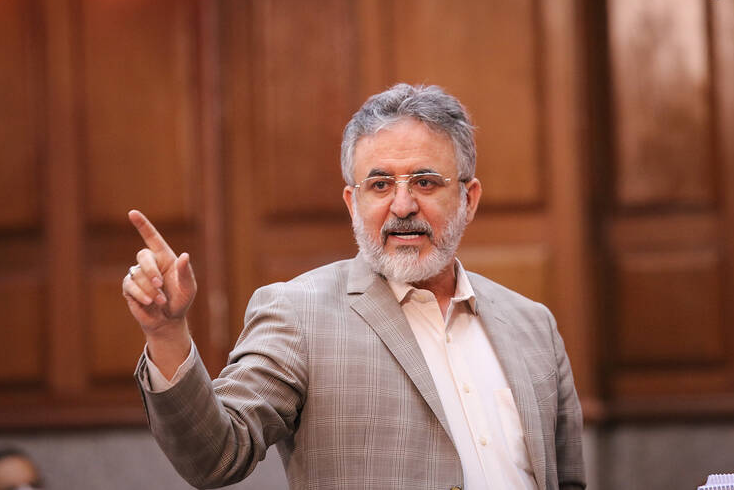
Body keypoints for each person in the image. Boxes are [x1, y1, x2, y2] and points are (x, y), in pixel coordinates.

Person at [122, 84, 585, 490]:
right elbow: (215, 456)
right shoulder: (298, 315)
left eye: (425, 182)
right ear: (352, 202)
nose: (402, 206)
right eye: (380, 185)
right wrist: (166, 333)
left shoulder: (533, 325)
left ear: (469, 198)